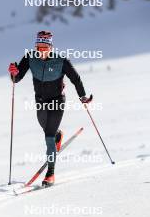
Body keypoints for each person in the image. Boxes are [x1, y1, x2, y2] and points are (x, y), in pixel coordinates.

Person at [8, 31, 92, 187]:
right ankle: (58, 136)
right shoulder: (30, 57)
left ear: (50, 47)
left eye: (44, 47)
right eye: (38, 47)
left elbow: (76, 79)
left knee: (48, 135)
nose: (41, 50)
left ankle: (50, 173)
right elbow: (17, 78)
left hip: (57, 102)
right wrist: (13, 72)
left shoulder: (61, 60)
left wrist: (83, 97)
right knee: (44, 126)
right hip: (40, 101)